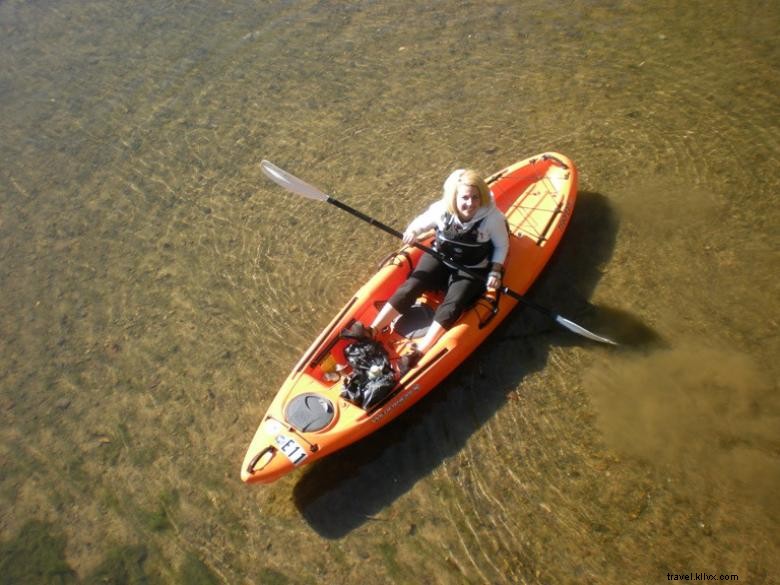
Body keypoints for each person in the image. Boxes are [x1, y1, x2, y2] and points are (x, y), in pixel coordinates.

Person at [346, 168, 509, 371]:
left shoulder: (493, 218)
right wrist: (412, 231)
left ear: (482, 196)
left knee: (453, 304)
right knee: (412, 285)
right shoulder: (442, 209)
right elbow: (421, 223)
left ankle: (419, 351)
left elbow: (502, 245)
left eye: (475, 197)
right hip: (440, 257)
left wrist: (495, 270)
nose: (470, 203)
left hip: (471, 267)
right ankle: (373, 329)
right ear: (455, 197)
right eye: (465, 197)